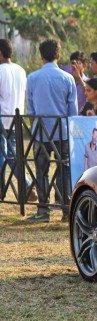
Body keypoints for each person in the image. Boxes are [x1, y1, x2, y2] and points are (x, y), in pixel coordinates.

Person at [26, 39, 78, 222]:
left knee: (41, 170)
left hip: (41, 132)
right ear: (58, 54)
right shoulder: (68, 78)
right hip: (62, 132)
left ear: (41, 56)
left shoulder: (32, 78)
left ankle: (43, 210)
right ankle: (65, 208)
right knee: (64, 168)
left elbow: (31, 111)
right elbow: (73, 112)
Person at [0, 38, 33, 200]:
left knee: (4, 157)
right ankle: (27, 185)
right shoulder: (20, 70)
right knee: (11, 156)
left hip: (2, 119)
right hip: (15, 119)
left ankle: (4, 191)